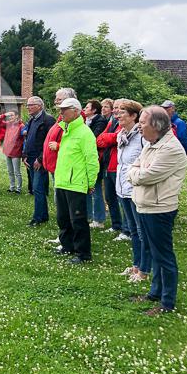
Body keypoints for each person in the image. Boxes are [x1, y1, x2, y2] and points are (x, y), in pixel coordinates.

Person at [128, 106, 187, 315]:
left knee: (163, 255)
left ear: (156, 126)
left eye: (143, 123)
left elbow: (145, 175)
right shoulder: (152, 144)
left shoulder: (171, 149)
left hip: (159, 208)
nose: (139, 126)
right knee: (154, 252)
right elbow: (133, 167)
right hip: (145, 204)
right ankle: (155, 293)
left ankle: (167, 303)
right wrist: (136, 172)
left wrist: (135, 174)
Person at [53, 98, 99, 264]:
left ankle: (83, 253)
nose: (61, 113)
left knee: (78, 220)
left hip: (77, 183)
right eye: (60, 109)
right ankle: (67, 246)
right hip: (63, 181)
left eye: (65, 110)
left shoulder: (84, 133)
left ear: (76, 111)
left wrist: (91, 183)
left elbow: (92, 160)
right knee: (63, 218)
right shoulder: (67, 130)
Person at [114, 100, 149, 282]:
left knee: (141, 231)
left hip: (136, 189)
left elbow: (145, 162)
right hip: (122, 188)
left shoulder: (142, 137)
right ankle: (136, 265)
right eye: (117, 112)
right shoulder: (121, 135)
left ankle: (144, 269)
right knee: (133, 231)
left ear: (134, 116)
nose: (118, 115)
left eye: (122, 112)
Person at [43, 87, 78, 243]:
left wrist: (57, 146)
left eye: (59, 99)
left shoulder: (74, 121)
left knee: (66, 207)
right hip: (57, 167)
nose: (56, 101)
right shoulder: (61, 118)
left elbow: (72, 144)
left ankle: (68, 239)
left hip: (67, 170)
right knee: (61, 206)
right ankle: (64, 236)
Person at [96, 99, 129, 240]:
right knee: (109, 197)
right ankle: (116, 225)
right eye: (115, 107)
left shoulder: (125, 124)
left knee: (123, 198)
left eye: (119, 108)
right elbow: (99, 139)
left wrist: (110, 138)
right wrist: (111, 138)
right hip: (108, 163)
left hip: (118, 165)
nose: (116, 110)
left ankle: (127, 230)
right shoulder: (111, 122)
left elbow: (116, 138)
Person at [23, 96, 56, 227]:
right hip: (30, 159)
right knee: (37, 189)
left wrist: (40, 159)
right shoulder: (31, 120)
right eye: (27, 105)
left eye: (31, 105)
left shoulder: (48, 120)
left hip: (40, 161)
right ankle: (43, 215)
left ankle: (37, 218)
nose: (28, 107)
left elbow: (49, 142)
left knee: (37, 188)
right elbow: (28, 139)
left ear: (39, 106)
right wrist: (24, 155)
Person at [84, 99, 108, 228]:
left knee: (96, 188)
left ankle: (99, 219)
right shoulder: (86, 121)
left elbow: (93, 137)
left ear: (94, 110)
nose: (85, 109)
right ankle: (88, 216)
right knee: (87, 188)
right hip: (86, 159)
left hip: (96, 159)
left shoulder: (100, 121)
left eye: (87, 107)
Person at [1, 110, 24, 194]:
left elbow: (25, 138)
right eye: (9, 116)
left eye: (12, 115)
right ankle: (12, 187)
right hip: (8, 151)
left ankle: (18, 188)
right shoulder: (8, 125)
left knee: (17, 172)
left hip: (16, 152)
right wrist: (4, 115)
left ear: (17, 116)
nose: (10, 117)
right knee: (10, 171)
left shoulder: (21, 126)